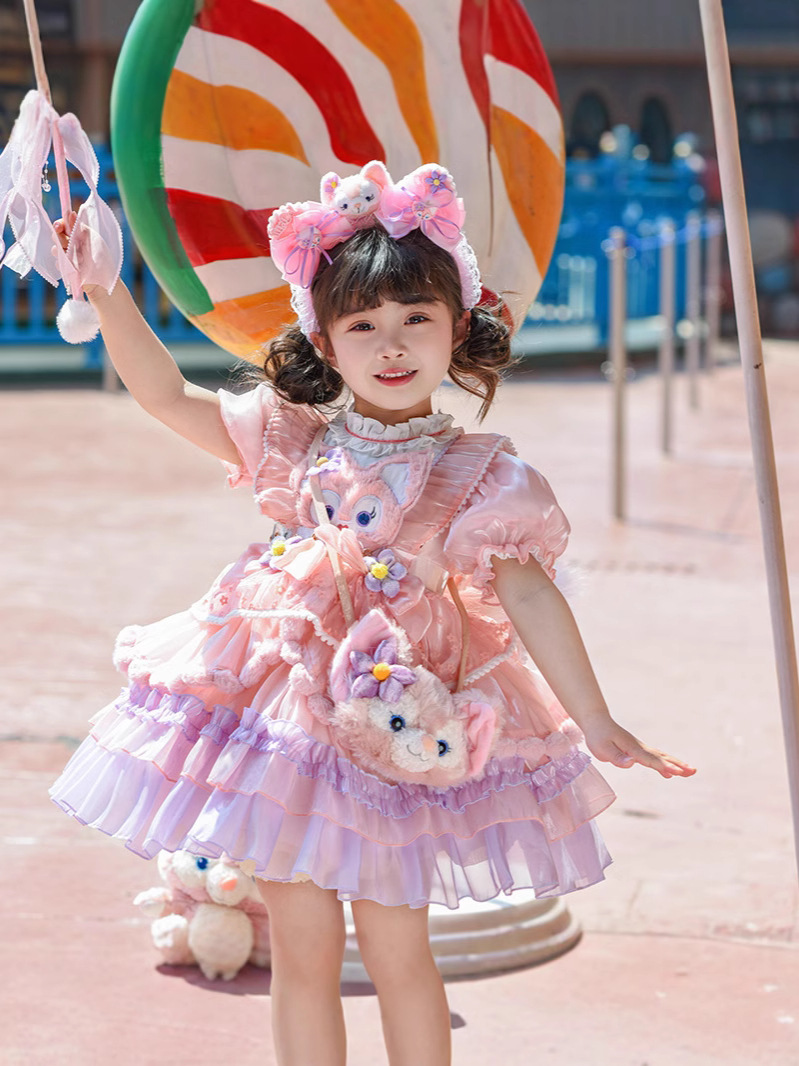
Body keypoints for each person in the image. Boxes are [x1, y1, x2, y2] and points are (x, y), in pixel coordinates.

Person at [50, 161, 695, 1066]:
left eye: (414, 319)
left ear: (456, 326)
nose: (390, 345)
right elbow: (164, 395)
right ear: (323, 339)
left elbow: (528, 593)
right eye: (362, 325)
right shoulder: (295, 440)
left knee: (398, 952)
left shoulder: (484, 476)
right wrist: (104, 288)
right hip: (284, 723)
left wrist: (596, 720)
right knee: (302, 948)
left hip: (401, 730)